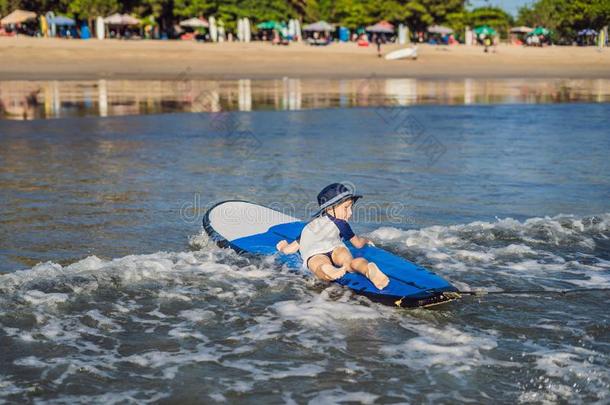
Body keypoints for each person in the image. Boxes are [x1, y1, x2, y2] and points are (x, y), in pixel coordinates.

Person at [276, 183, 390, 290]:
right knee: (349, 263)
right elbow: (358, 244)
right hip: (337, 249)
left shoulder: (311, 226)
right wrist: (366, 240)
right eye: (346, 208)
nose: (350, 213)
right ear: (329, 208)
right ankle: (366, 268)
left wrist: (283, 247)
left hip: (315, 253)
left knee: (318, 265)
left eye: (351, 207)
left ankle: (327, 270)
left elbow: (290, 249)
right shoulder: (342, 224)